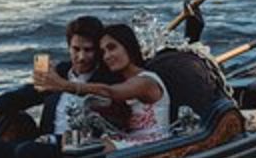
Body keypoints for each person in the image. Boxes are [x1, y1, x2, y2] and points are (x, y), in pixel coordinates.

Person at [0, 16, 126, 158]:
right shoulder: (61, 71)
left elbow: (101, 130)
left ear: (98, 52)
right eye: (76, 49)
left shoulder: (108, 80)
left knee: (28, 151)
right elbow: (19, 97)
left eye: (88, 50)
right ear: (68, 47)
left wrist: (53, 139)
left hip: (77, 153)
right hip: (43, 146)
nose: (81, 57)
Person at [36, 24, 171, 150]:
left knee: (92, 148)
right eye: (103, 52)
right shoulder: (120, 80)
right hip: (125, 139)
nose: (107, 56)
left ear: (128, 46)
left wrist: (63, 85)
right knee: (74, 141)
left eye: (112, 48)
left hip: (153, 145)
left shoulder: (145, 81)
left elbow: (109, 92)